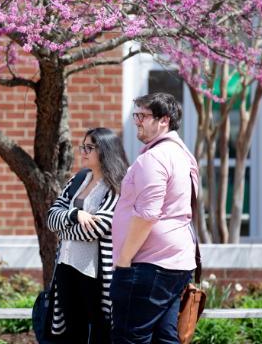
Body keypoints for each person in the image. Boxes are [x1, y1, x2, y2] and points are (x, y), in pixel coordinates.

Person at [111, 92, 199, 343]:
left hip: (149, 264)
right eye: (136, 114)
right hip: (176, 263)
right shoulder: (184, 155)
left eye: (143, 115)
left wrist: (124, 260)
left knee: (129, 337)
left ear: (164, 120)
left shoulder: (155, 157)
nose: (137, 120)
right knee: (165, 337)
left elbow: (148, 214)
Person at [47, 127, 129, 344]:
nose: (82, 151)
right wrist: (75, 214)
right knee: (73, 331)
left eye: (89, 147)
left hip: (94, 272)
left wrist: (65, 228)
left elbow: (96, 229)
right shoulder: (78, 179)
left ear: (105, 150)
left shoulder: (116, 187)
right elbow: (51, 218)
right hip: (65, 265)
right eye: (82, 146)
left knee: (100, 331)